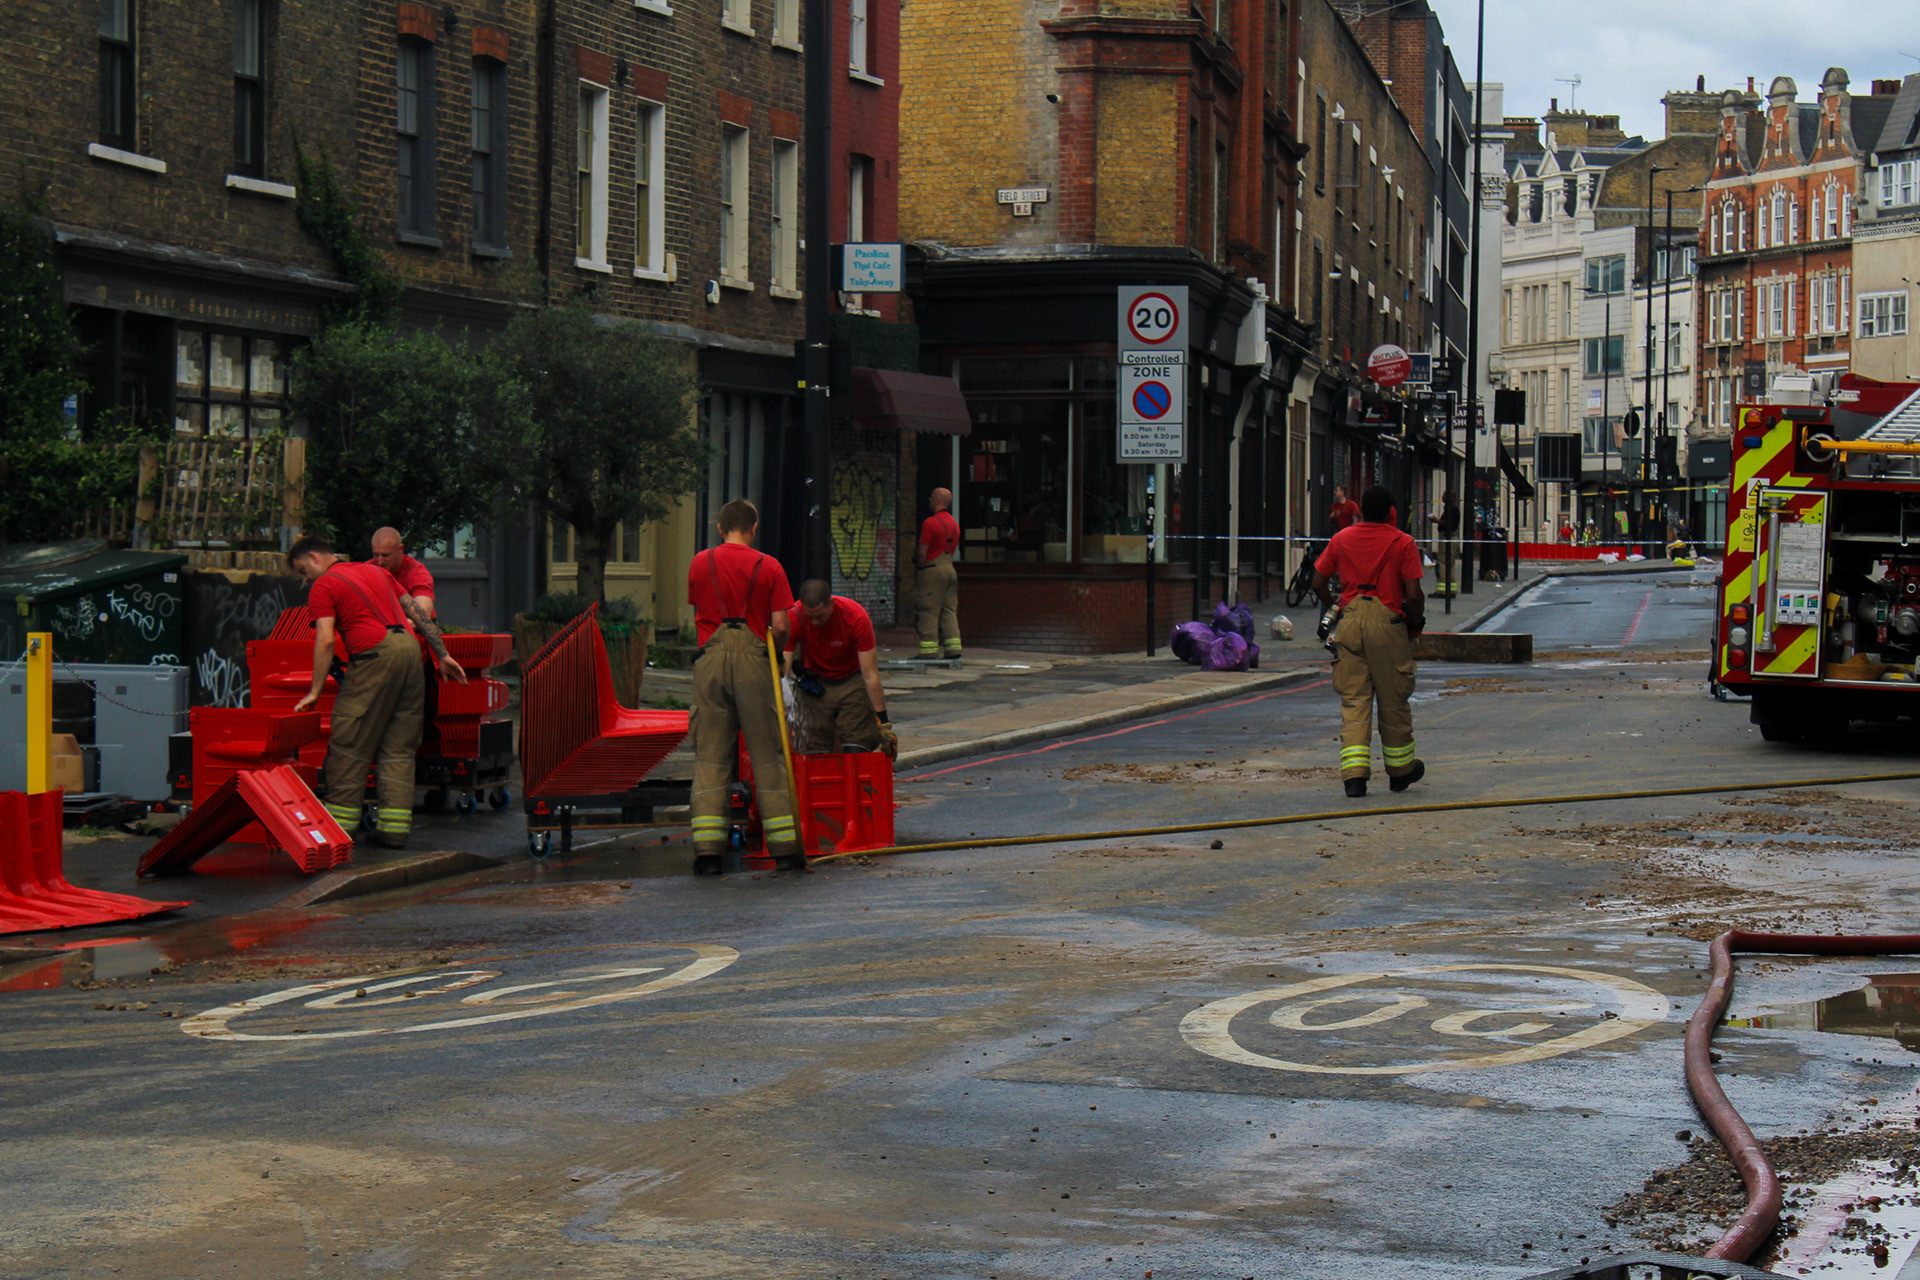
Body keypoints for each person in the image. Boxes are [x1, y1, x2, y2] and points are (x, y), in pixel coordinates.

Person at [287, 535, 468, 848]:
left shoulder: (324, 585)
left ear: (315, 557)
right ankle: (394, 832)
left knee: (350, 743)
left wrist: (315, 690)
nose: (305, 579)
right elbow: (418, 614)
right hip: (410, 653)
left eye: (303, 570)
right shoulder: (378, 572)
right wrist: (442, 655)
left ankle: (340, 833)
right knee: (399, 749)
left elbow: (326, 640)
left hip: (374, 657)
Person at [687, 498, 801, 875]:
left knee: (711, 759)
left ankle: (708, 853)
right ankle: (785, 850)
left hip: (710, 663)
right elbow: (781, 626)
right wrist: (774, 656)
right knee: (768, 756)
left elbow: (699, 611)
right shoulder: (770, 566)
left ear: (720, 529)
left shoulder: (700, 563)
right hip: (755, 663)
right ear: (754, 529)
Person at [1313, 485, 1427, 799]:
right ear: (1391, 513)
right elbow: (1414, 595)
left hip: (1349, 622)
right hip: (1388, 624)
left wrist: (1335, 606)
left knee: (1354, 702)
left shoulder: (1341, 538)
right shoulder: (1403, 542)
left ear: (1361, 510)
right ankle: (1400, 772)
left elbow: (1318, 581)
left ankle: (1354, 779)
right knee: (1393, 701)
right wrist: (1415, 623)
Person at [784, 579, 897, 760]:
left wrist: (883, 722)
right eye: (810, 617)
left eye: (820, 616)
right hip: (815, 683)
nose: (815, 622)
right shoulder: (794, 616)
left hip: (851, 681)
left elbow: (870, 675)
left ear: (831, 603)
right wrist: (782, 704)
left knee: (857, 744)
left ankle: (855, 769)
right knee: (812, 749)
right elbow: (784, 670)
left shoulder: (856, 617)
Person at [914, 488, 962, 660]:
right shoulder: (955, 525)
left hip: (932, 570)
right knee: (949, 611)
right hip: (950, 569)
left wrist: (919, 564)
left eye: (932, 497)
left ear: (937, 500)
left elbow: (922, 553)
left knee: (928, 610)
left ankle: (928, 652)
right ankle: (953, 649)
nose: (929, 500)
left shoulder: (930, 523)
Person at [369, 526, 436, 619]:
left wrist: (405, 624)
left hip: (412, 624)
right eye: (376, 555)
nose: (380, 562)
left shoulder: (416, 572)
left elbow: (423, 611)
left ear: (400, 549)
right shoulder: (367, 570)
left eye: (386, 555)